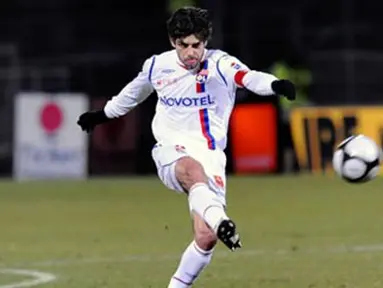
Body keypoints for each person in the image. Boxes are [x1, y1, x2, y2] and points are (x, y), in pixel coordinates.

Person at [77, 6, 296, 287]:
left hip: (211, 155)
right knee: (192, 171)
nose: (191, 52)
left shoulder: (220, 64)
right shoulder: (157, 66)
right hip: (171, 151)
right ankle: (222, 220)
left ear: (205, 42)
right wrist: (102, 115)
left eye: (197, 45)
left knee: (205, 238)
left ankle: (185, 273)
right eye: (184, 45)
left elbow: (249, 78)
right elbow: (132, 94)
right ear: (173, 42)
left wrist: (276, 85)